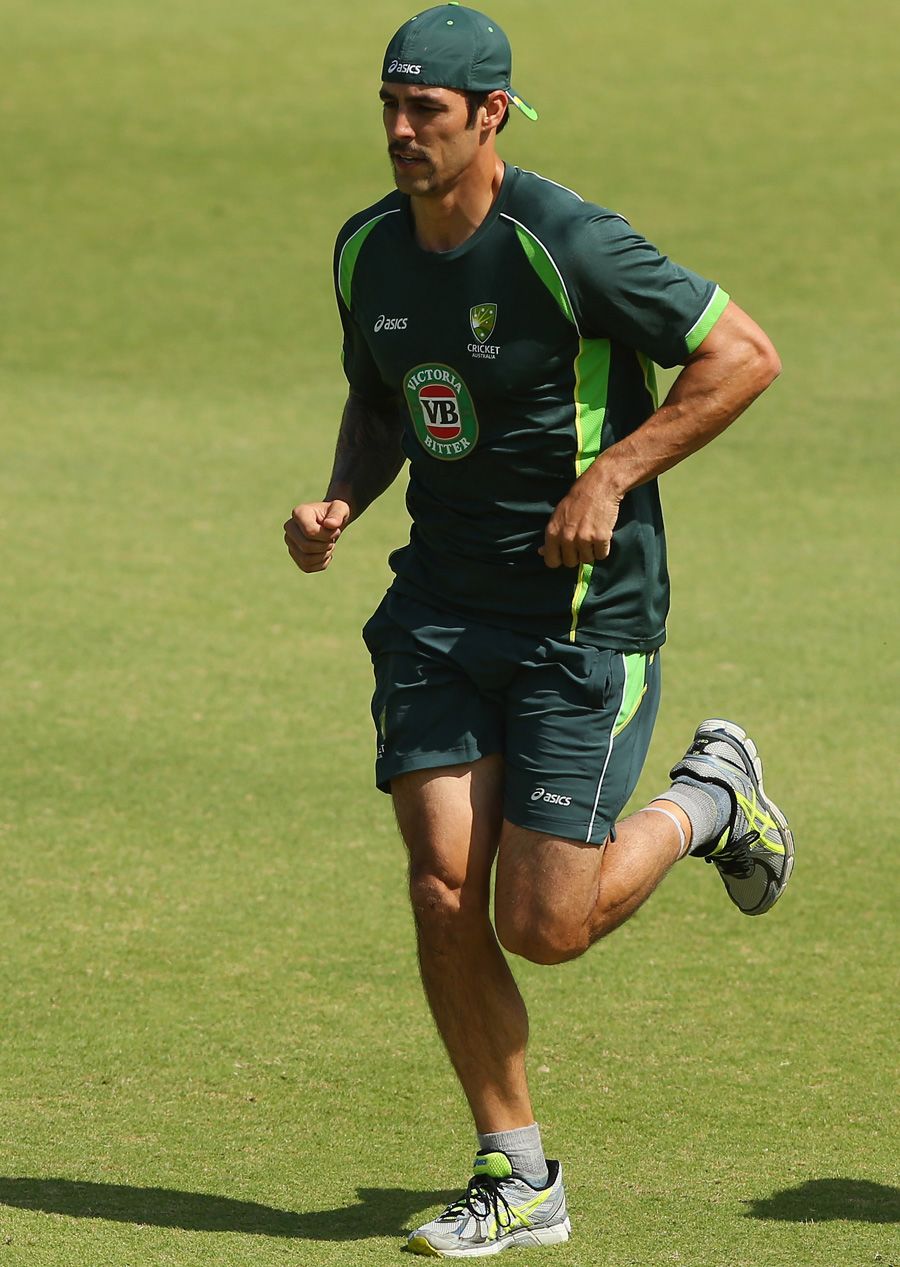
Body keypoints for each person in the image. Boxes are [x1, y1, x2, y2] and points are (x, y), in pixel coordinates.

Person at [284, 3, 794, 1256]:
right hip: (441, 609)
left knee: (545, 922)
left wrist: (612, 474)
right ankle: (518, 1174)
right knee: (442, 881)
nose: (403, 133)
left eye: (430, 113)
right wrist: (345, 492)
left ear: (491, 116)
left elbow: (743, 354)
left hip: (581, 620)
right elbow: (385, 394)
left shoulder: (565, 243)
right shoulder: (367, 251)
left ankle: (709, 801)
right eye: (391, 108)